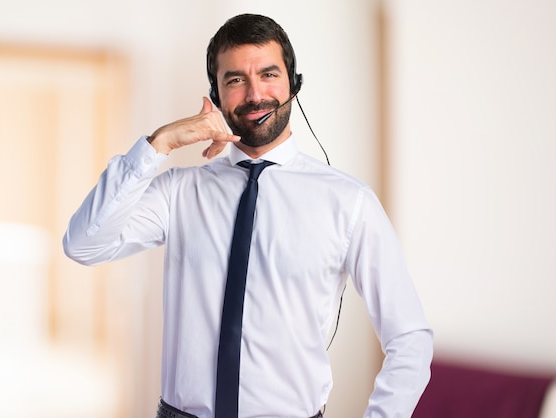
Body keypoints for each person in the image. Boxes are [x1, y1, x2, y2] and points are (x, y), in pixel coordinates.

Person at [63, 13, 433, 418]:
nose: (255, 94)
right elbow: (83, 244)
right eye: (236, 79)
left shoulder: (349, 202)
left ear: (293, 83)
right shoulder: (179, 192)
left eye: (269, 74)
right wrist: (159, 143)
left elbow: (410, 338)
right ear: (217, 95)